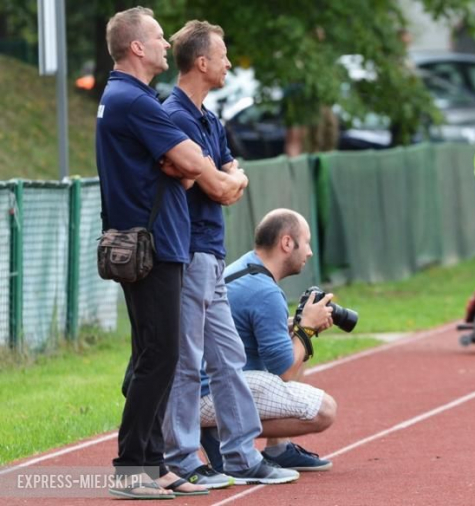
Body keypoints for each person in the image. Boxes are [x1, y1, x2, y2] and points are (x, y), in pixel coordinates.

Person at [158, 20, 299, 487]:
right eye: (222, 56)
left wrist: (223, 179)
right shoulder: (174, 116)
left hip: (214, 253)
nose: (228, 64)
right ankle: (180, 456)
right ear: (202, 62)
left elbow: (232, 177)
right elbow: (220, 185)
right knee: (187, 358)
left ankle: (240, 455)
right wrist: (222, 179)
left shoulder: (210, 119)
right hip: (190, 250)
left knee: (229, 357)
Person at [96, 6, 223, 499]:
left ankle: (154, 463)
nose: (166, 44)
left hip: (147, 243)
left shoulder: (124, 97)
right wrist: (184, 163)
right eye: (157, 37)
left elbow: (187, 167)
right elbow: (193, 162)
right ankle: (132, 468)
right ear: (136, 47)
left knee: (155, 353)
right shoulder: (136, 101)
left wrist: (183, 165)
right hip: (154, 245)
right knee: (160, 355)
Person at [199, 209, 338, 472]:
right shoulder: (264, 291)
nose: (309, 252)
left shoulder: (246, 267)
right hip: (207, 393)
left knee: (293, 338)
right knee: (324, 411)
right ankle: (216, 429)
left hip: (197, 384)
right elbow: (284, 371)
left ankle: (278, 448)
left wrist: (299, 328)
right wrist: (306, 327)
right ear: (287, 243)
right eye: (306, 242)